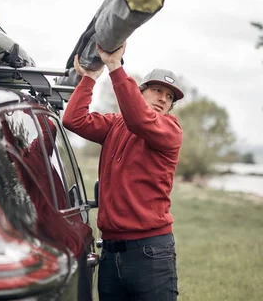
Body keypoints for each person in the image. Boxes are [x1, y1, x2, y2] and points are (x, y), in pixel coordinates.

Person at [62, 41, 183, 300]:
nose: (163, 98)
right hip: (111, 252)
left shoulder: (170, 131)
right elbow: (73, 120)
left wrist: (114, 65)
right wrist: (90, 79)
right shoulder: (115, 124)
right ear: (140, 93)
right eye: (157, 90)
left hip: (150, 253)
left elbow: (139, 118)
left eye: (169, 96)